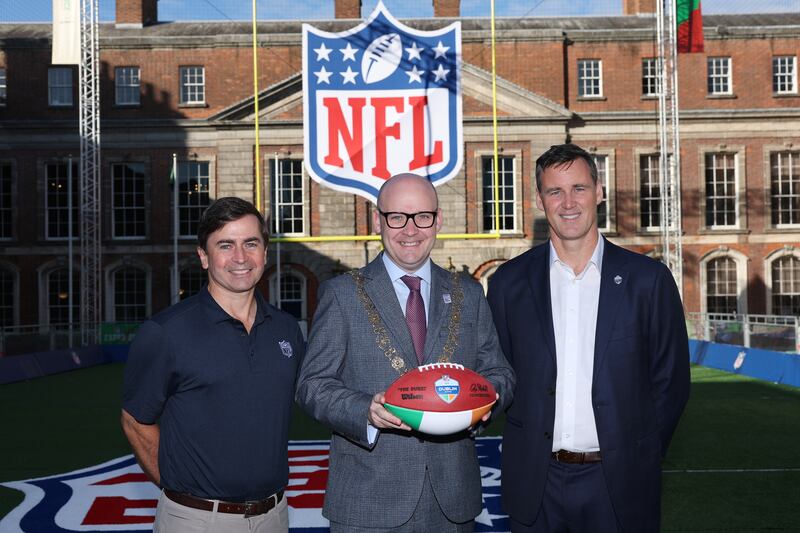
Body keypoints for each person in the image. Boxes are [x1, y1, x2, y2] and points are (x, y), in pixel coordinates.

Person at [487, 143, 690, 533]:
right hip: (535, 483)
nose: (568, 203)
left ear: (599, 191)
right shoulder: (509, 283)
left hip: (618, 485)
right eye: (555, 191)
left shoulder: (648, 280)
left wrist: (639, 453)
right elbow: (498, 372)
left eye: (579, 188)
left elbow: (671, 382)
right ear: (539, 199)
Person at [296, 173, 515, 532]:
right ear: (378, 220)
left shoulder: (469, 293)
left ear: (438, 220)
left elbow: (500, 374)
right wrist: (365, 410)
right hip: (368, 502)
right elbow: (312, 385)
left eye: (422, 217)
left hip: (452, 502)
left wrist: (481, 401)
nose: (410, 230)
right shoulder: (342, 294)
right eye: (396, 217)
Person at [121, 196, 304, 533]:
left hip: (274, 516)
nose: (240, 257)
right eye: (225, 245)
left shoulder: (286, 329)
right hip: (197, 519)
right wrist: (181, 489)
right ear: (204, 257)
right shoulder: (166, 332)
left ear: (266, 251)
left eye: (251, 243)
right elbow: (135, 420)